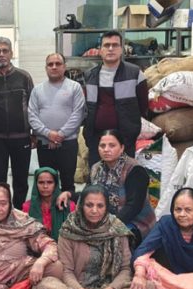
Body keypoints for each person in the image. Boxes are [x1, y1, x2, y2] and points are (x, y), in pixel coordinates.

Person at [33, 185, 155, 289]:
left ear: (106, 207)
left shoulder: (117, 228)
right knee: (45, 287)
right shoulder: (69, 230)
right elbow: (67, 271)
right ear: (81, 206)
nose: (94, 211)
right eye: (89, 205)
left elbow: (125, 269)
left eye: (100, 206)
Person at [58, 129, 155, 248]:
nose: (106, 149)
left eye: (112, 145)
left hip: (134, 222)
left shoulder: (134, 170)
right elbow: (88, 195)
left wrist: (108, 227)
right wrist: (70, 194)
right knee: (70, 234)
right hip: (101, 220)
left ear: (122, 148)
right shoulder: (96, 169)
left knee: (110, 243)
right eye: (102, 146)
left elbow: (133, 206)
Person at [83, 30, 148, 165]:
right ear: (100, 50)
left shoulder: (135, 73)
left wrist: (132, 131)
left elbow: (143, 107)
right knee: (97, 179)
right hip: (97, 139)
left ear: (121, 49)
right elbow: (85, 107)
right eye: (106, 45)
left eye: (115, 45)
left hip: (125, 139)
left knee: (124, 178)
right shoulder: (90, 75)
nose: (111, 49)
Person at [0, 36, 34, 209]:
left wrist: (34, 133)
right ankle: (1, 212)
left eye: (5, 51)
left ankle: (18, 212)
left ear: (11, 53)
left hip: (21, 137)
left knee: (21, 180)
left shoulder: (24, 77)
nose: (1, 54)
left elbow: (33, 107)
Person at [29, 53, 85, 195]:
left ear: (64, 67)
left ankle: (68, 215)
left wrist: (59, 135)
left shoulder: (75, 87)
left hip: (68, 143)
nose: (54, 67)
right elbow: (32, 115)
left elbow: (78, 114)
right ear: (46, 68)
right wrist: (48, 134)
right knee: (46, 185)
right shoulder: (37, 90)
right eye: (50, 64)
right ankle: (48, 216)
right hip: (44, 144)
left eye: (58, 64)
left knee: (68, 184)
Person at [22, 167, 75, 241]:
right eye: (41, 182)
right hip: (36, 247)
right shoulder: (27, 207)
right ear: (35, 184)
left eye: (50, 182)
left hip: (64, 248)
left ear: (56, 184)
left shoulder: (69, 206)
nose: (45, 186)